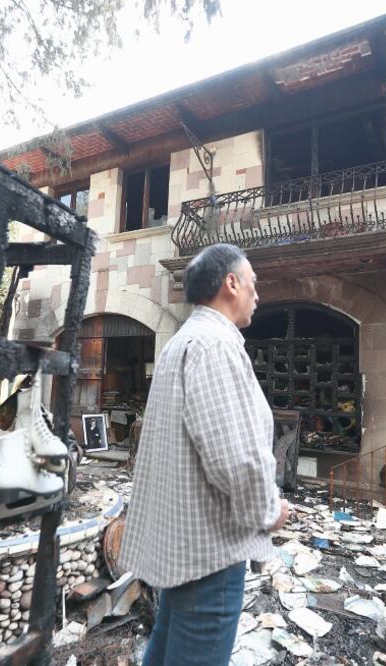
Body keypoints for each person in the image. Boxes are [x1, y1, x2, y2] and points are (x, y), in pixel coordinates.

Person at [119, 243, 290, 666]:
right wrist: (269, 512)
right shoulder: (215, 344)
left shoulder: (183, 341)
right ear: (231, 283)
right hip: (211, 556)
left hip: (183, 547)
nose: (257, 293)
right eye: (253, 282)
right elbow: (236, 457)